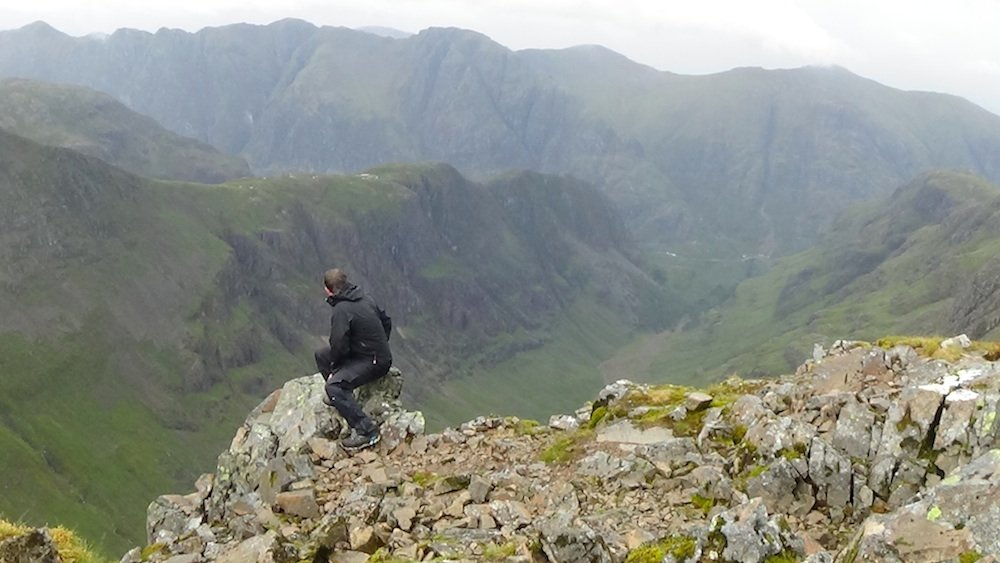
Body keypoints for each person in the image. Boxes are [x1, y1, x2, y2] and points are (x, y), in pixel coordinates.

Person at [314, 268, 392, 451]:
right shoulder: (366, 298)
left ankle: (367, 431)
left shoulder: (341, 310)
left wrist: (337, 369)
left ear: (328, 290)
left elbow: (338, 344)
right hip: (370, 354)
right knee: (320, 355)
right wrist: (379, 344)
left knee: (333, 386)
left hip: (374, 361)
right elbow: (386, 321)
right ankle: (341, 400)